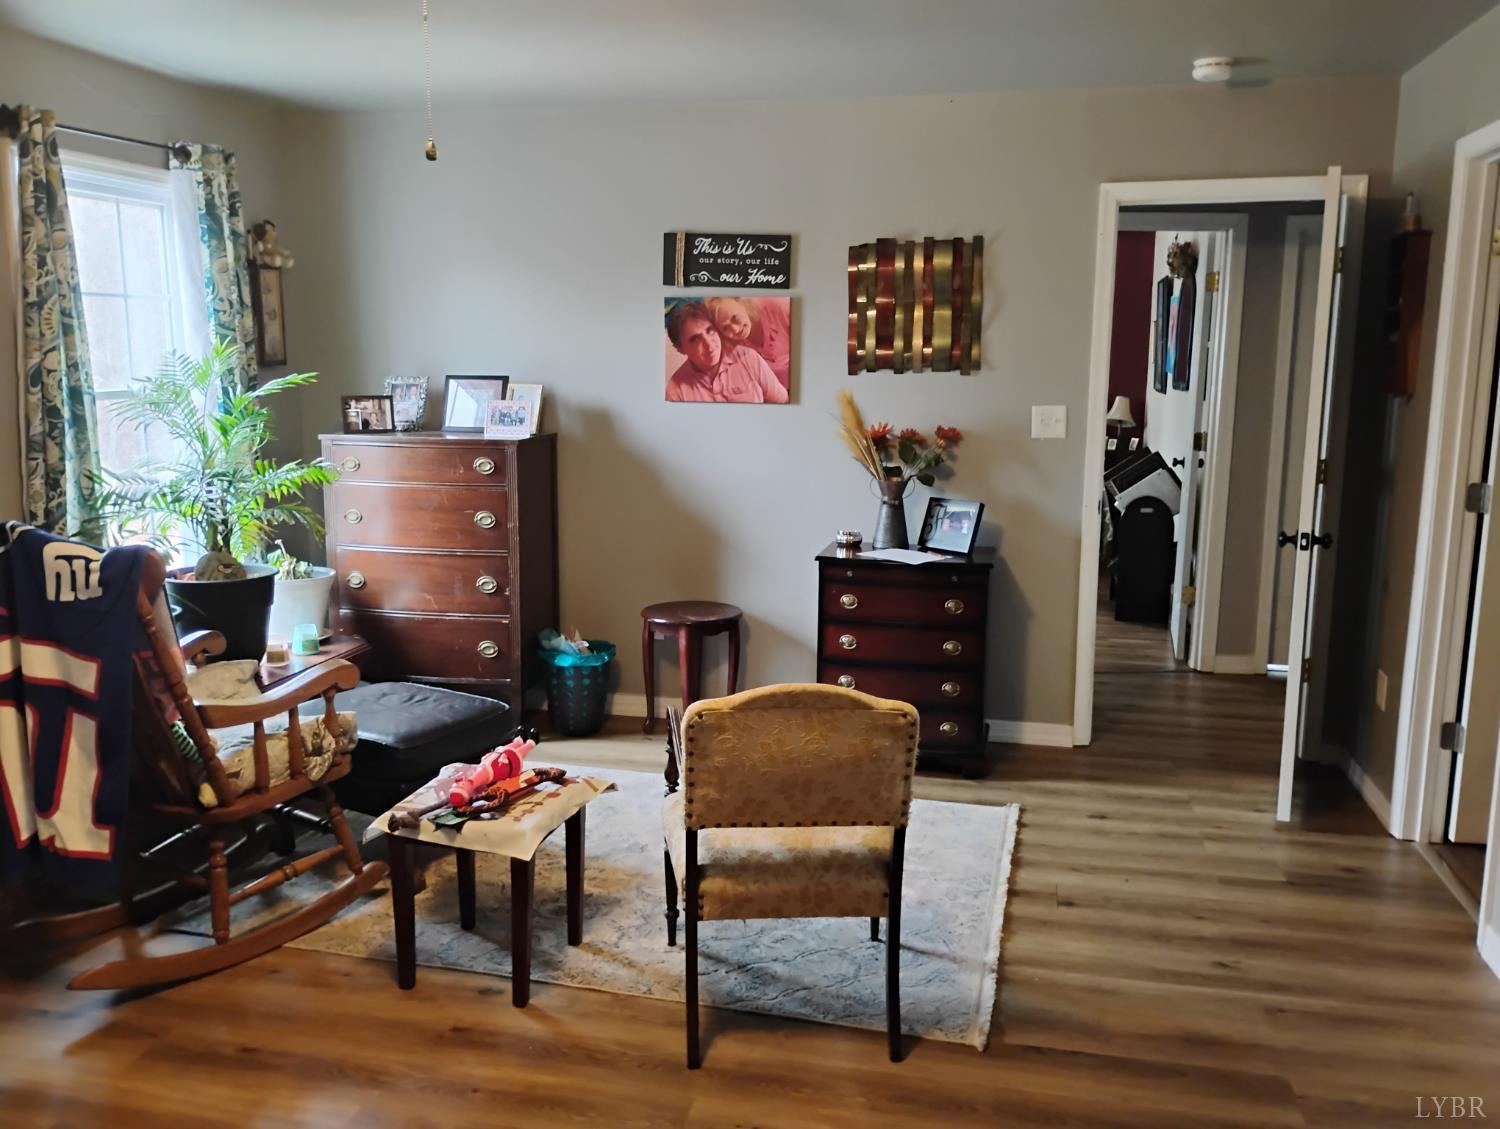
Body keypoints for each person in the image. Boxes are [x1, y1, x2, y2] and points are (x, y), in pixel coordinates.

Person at [665, 300, 789, 403]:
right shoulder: (676, 390)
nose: (708, 344)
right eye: (695, 339)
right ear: (680, 349)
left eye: (710, 330)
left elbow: (782, 403)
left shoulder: (749, 359)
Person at [705, 296, 791, 392]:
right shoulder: (728, 346)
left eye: (734, 318)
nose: (736, 330)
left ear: (742, 303)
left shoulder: (778, 305)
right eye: (725, 328)